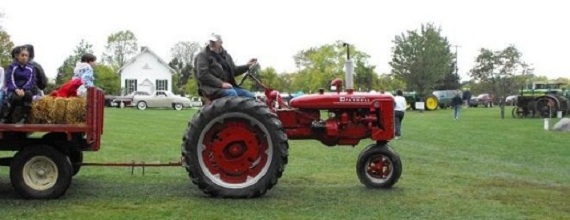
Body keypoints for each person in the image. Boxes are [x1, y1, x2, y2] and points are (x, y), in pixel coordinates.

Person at [194, 33, 257, 99]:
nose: (211, 43)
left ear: (220, 43)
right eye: (210, 41)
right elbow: (203, 75)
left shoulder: (227, 56)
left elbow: (234, 70)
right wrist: (221, 84)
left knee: (250, 96)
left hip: (228, 87)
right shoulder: (202, 55)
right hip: (211, 89)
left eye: (214, 42)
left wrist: (247, 66)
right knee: (232, 93)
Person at [1, 47, 35, 124]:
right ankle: (6, 117)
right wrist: (16, 89)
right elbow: (9, 80)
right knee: (15, 97)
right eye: (22, 55)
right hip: (14, 89)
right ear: (18, 56)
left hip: (25, 90)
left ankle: (24, 117)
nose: (24, 57)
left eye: (26, 55)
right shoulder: (12, 67)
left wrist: (23, 89)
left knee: (29, 95)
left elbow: (31, 81)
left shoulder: (31, 68)